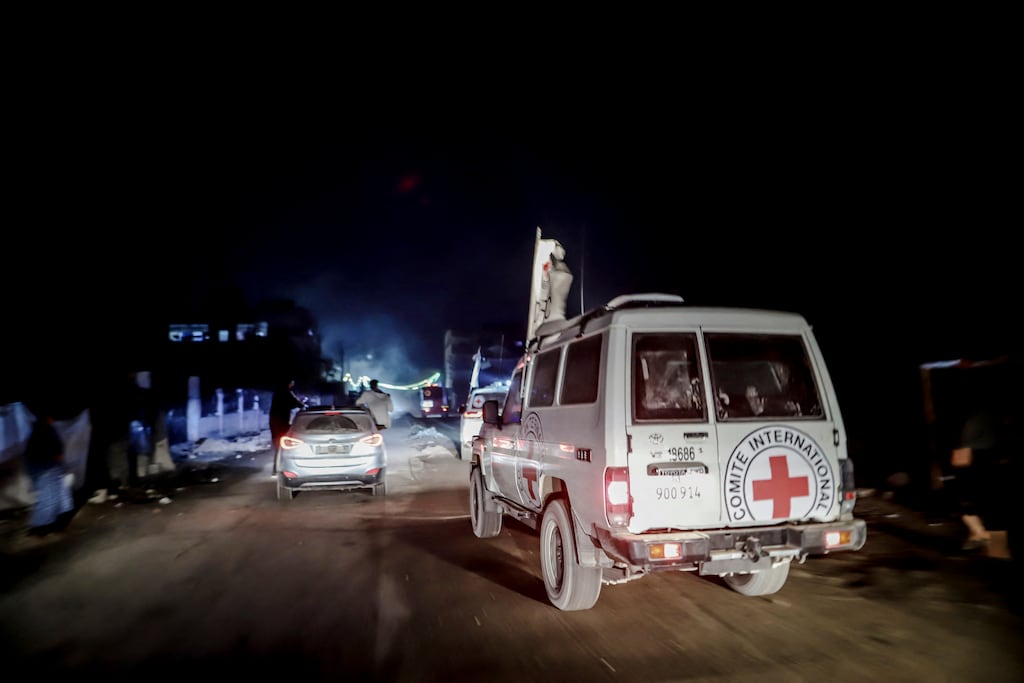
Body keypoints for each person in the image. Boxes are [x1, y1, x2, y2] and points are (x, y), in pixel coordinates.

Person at [23, 409, 74, 538]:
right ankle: (41, 526)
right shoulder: (47, 430)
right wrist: (60, 459)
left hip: (39, 466)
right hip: (46, 467)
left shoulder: (37, 429)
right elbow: (55, 451)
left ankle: (54, 520)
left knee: (55, 494)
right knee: (49, 496)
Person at [270, 379, 305, 474]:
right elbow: (295, 403)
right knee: (283, 446)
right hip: (281, 423)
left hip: (275, 423)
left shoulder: (278, 393)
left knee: (278, 446)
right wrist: (302, 405)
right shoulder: (286, 392)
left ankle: (275, 469)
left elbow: (291, 404)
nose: (292, 384)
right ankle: (280, 469)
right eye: (291, 383)